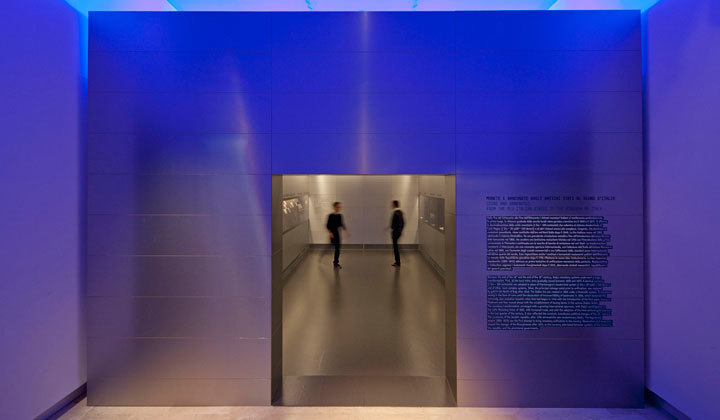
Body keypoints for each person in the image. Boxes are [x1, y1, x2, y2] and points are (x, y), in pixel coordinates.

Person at [326, 202, 348, 269]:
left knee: (337, 249)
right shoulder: (330, 215)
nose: (339, 208)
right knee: (334, 247)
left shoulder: (339, 216)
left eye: (339, 207)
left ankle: (335, 263)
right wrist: (330, 233)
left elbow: (341, 224)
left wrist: (346, 230)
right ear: (334, 207)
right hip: (332, 234)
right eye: (337, 207)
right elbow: (328, 225)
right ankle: (335, 262)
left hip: (337, 233)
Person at [390, 200, 405, 267]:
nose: (391, 206)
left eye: (392, 204)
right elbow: (403, 223)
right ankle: (397, 262)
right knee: (396, 246)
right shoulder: (400, 212)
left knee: (395, 247)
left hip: (395, 232)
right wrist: (401, 230)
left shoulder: (395, 213)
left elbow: (393, 224)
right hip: (399, 231)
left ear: (394, 205)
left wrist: (393, 231)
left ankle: (397, 262)